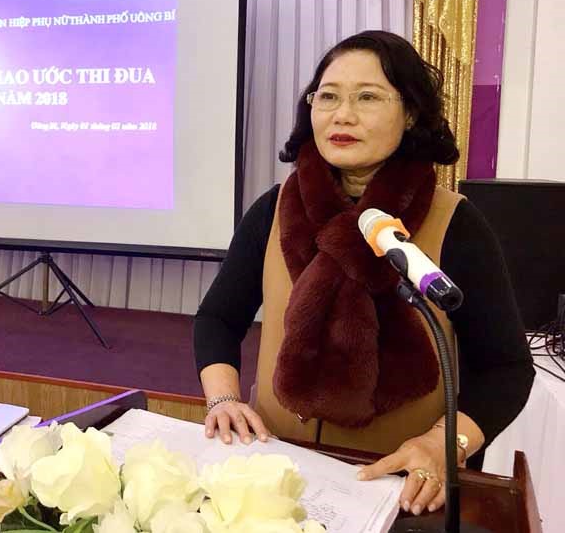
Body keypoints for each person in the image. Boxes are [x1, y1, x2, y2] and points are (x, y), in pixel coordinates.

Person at [193, 30, 534, 516]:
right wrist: (222, 399)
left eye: (368, 97)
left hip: (398, 486)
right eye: (328, 96)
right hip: (276, 470)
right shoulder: (275, 209)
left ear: (410, 112)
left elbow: (506, 368)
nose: (342, 115)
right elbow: (218, 319)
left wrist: (444, 443)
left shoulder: (455, 222)